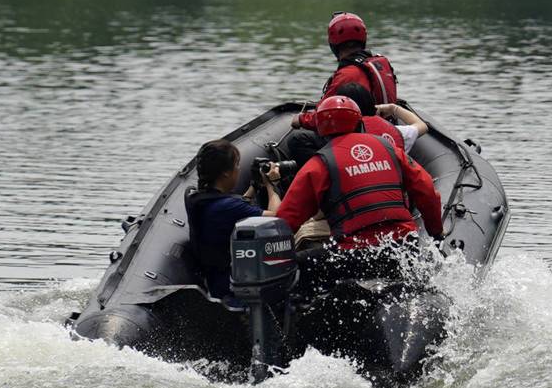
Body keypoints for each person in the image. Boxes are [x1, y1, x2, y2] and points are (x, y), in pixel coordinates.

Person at [277, 96, 444, 252]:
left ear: (320, 132)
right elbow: (426, 189)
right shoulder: (391, 149)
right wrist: (436, 233)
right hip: (404, 245)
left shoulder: (319, 164)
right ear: (360, 123)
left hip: (355, 253)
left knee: (300, 267)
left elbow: (288, 217)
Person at [185, 139, 281, 299]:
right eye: (237, 165)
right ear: (226, 173)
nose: (239, 169)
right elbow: (277, 216)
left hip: (213, 280)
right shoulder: (226, 207)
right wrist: (272, 184)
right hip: (230, 288)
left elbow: (236, 208)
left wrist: (255, 186)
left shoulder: (198, 198)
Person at [292, 82, 428, 154]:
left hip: (351, 196)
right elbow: (422, 126)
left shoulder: (340, 140)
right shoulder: (395, 133)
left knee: (297, 140)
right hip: (392, 195)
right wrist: (393, 108)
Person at [321, 12, 399, 104]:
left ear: (333, 44)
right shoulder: (380, 63)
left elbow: (322, 111)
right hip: (387, 117)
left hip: (365, 117)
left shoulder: (347, 75)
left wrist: (301, 117)